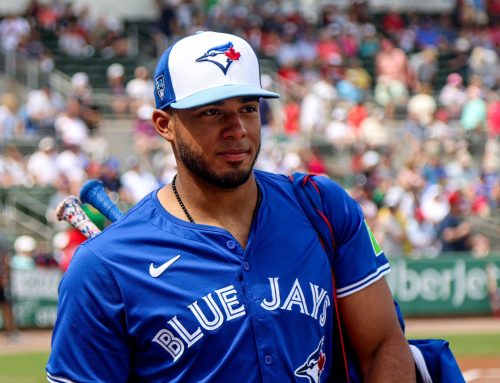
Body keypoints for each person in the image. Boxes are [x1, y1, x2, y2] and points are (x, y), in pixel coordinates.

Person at [47, 31, 415, 382]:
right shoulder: (103, 268)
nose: (236, 128)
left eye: (248, 108)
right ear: (164, 124)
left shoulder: (321, 207)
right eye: (211, 112)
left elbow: (383, 345)